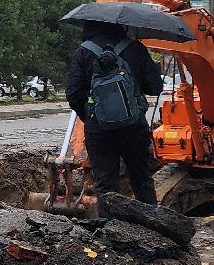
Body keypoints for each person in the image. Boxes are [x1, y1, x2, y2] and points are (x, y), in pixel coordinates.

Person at [65, 21, 164, 206]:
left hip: (99, 130)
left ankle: (110, 229)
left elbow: (73, 94)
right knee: (142, 180)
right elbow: (156, 87)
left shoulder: (83, 52)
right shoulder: (135, 48)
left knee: (105, 184)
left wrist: (90, 116)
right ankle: (153, 228)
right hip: (134, 127)